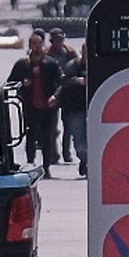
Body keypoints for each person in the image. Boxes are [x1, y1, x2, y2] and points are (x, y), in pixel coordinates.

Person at [12, 30, 62, 177]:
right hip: (30, 105)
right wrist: (22, 84)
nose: (37, 47)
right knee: (31, 135)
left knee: (48, 137)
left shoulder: (51, 63)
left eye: (39, 43)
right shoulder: (23, 64)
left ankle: (46, 166)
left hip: (48, 106)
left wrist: (55, 96)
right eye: (34, 44)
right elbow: (11, 82)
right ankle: (30, 164)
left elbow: (61, 82)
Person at [48, 28, 79, 163]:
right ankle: (54, 153)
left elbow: (77, 68)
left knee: (68, 125)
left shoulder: (71, 53)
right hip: (52, 92)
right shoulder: (47, 54)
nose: (58, 42)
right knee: (52, 126)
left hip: (67, 93)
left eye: (60, 39)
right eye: (56, 39)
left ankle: (67, 152)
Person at [60, 45, 89, 176]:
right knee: (79, 142)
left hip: (94, 109)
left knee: (94, 140)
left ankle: (90, 164)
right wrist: (76, 81)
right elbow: (63, 82)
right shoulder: (72, 65)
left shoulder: (98, 66)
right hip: (76, 108)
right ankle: (85, 160)